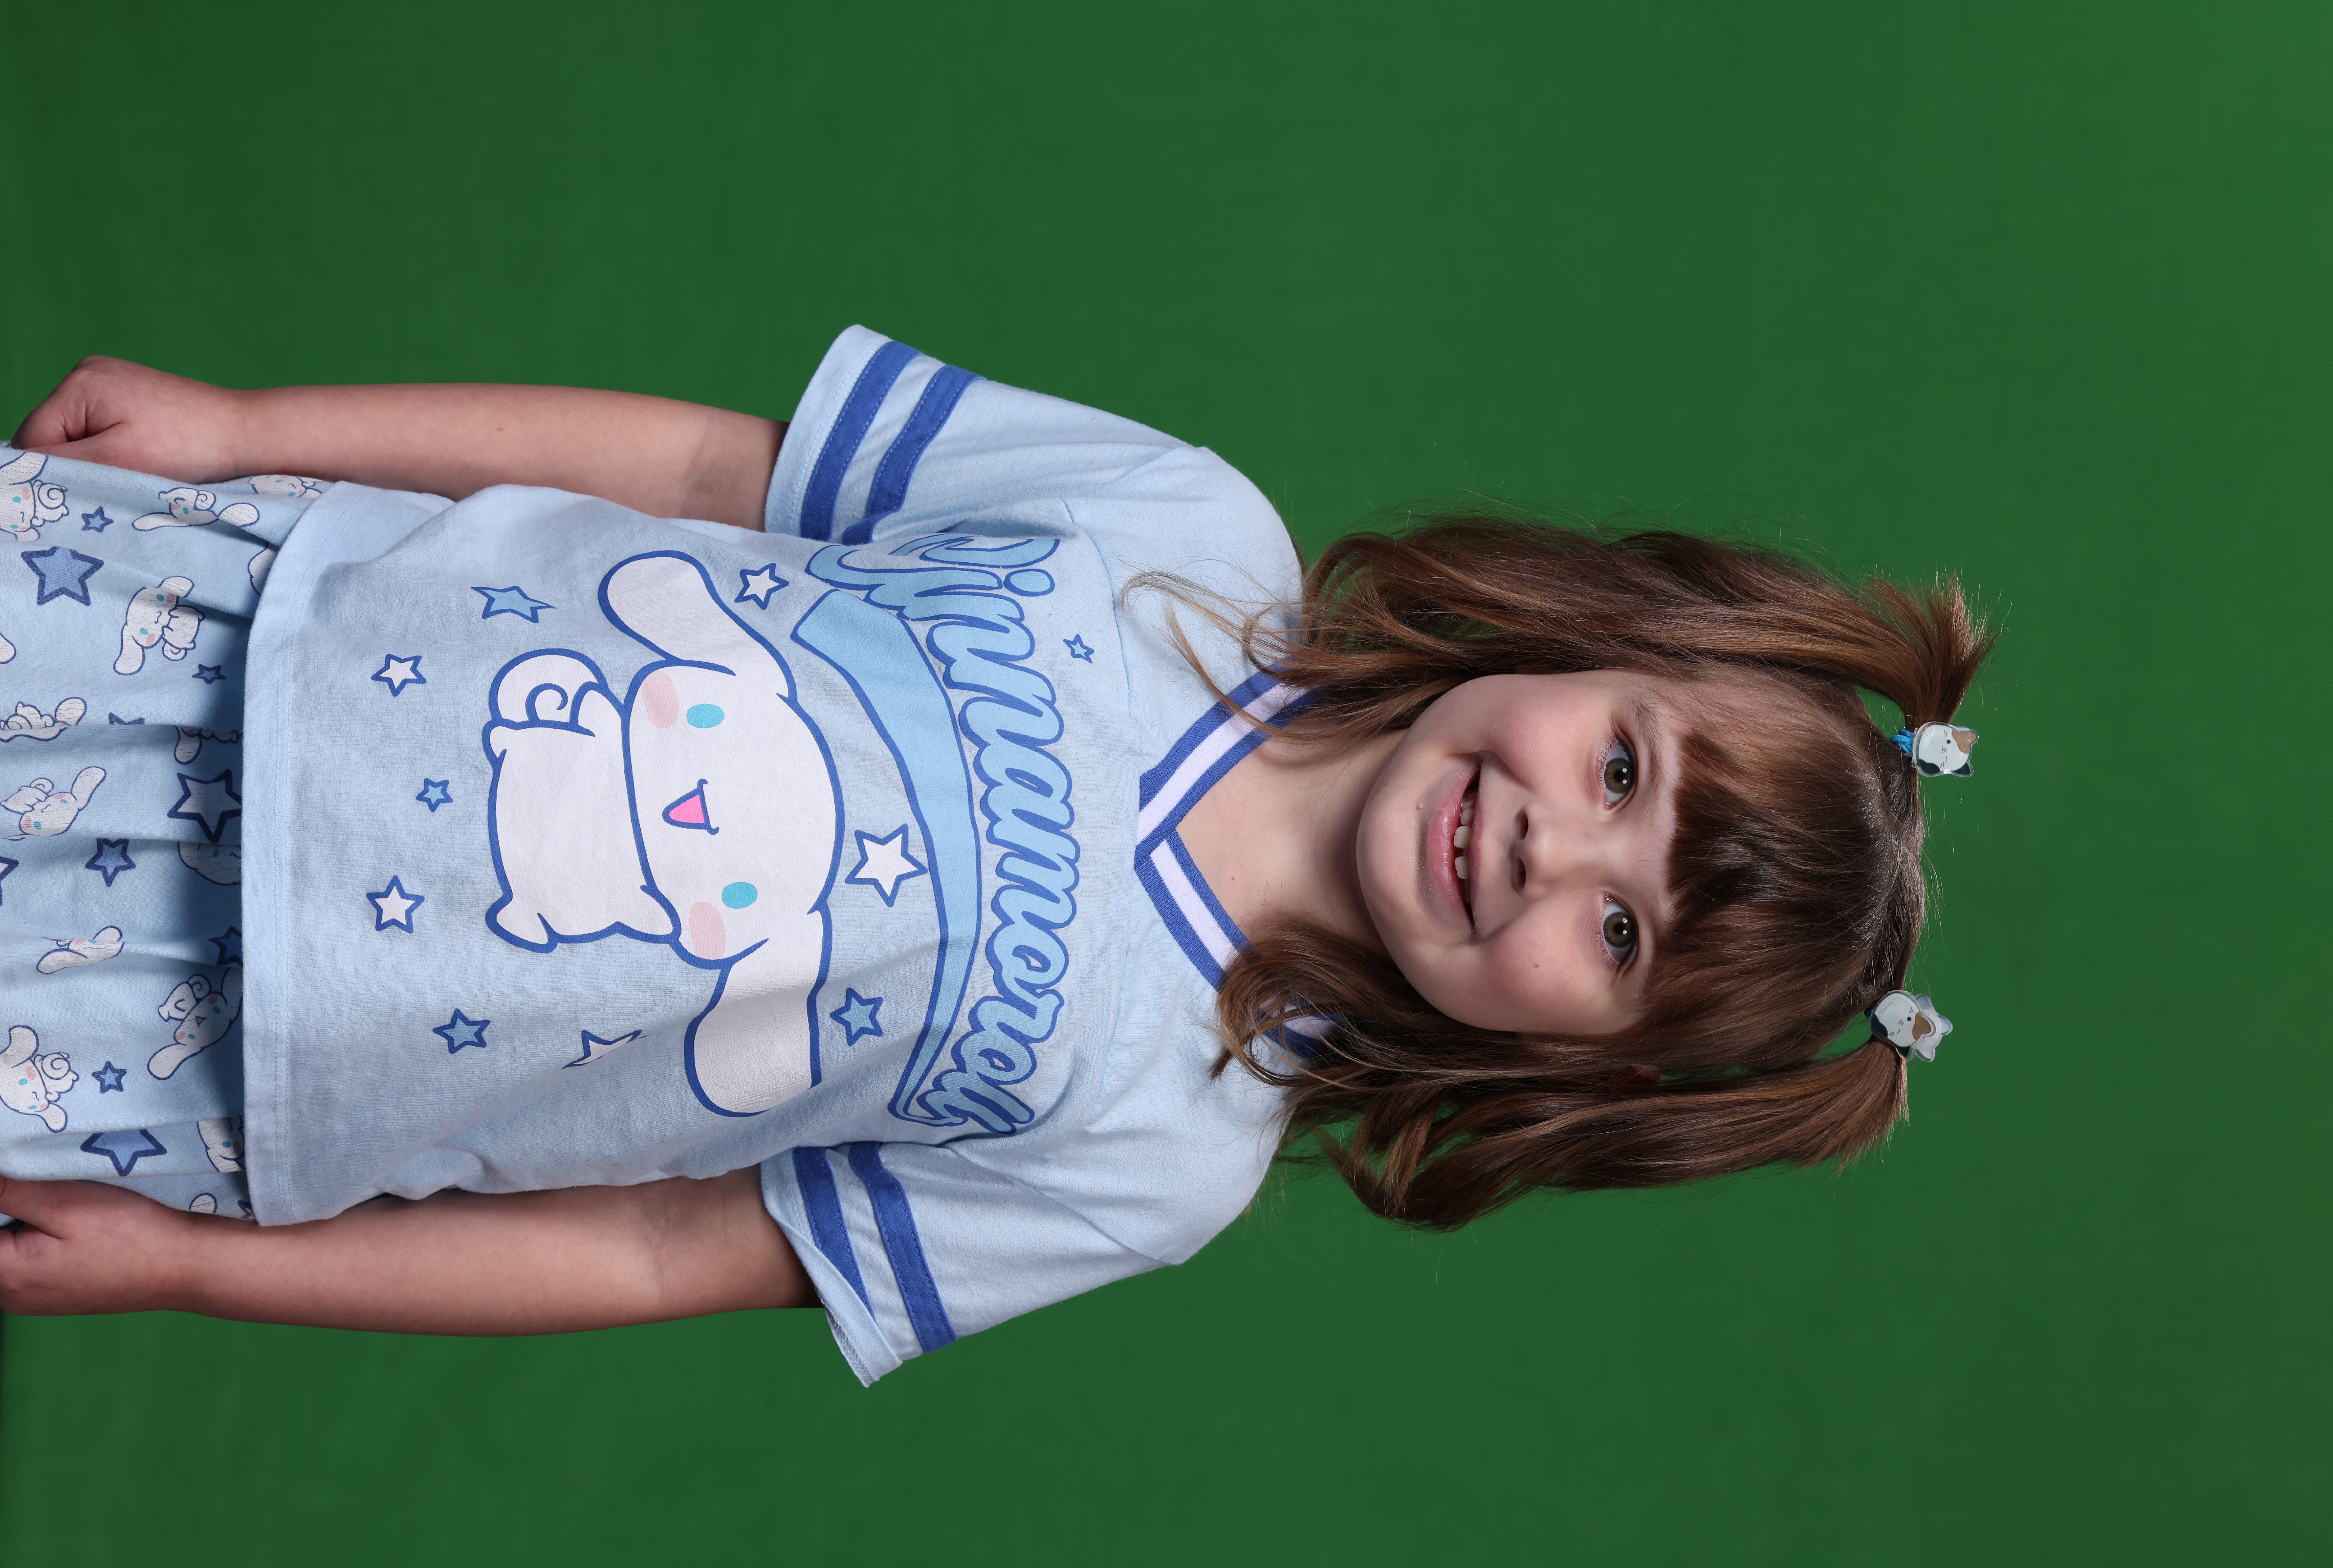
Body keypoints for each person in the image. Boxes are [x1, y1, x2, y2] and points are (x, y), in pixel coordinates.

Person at [0, 329, 1987, 1381]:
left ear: (1581, 1065)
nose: (1554, 845)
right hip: (209, 630)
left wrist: (192, 1267)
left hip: (191, 1038)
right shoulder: (1184, 532)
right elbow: (709, 470)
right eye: (1624, 765)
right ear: (1597, 638)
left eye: (1622, 933)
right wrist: (251, 425)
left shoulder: (1170, 1155)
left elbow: (660, 1247)